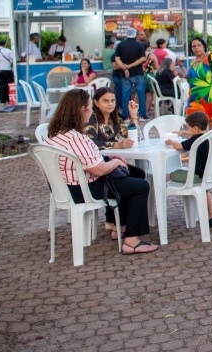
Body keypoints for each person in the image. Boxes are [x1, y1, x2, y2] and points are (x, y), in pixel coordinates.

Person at [44, 89, 157, 254]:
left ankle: (121, 225)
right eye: (89, 106)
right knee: (140, 186)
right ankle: (132, 241)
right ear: (82, 109)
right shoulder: (77, 137)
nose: (90, 111)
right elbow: (98, 169)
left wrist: (110, 159)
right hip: (83, 188)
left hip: (65, 185)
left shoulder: (55, 134)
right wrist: (116, 161)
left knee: (132, 175)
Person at [165, 111, 212, 228]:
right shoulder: (207, 137)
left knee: (172, 174)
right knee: (206, 191)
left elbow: (179, 146)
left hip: (195, 177)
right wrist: (183, 133)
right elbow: (192, 136)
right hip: (207, 176)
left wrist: (171, 141)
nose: (187, 130)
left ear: (195, 128)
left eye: (188, 128)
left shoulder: (195, 140)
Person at [187, 37, 212, 127]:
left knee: (211, 120)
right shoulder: (193, 62)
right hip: (194, 97)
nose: (196, 48)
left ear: (204, 47)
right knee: (194, 122)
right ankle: (200, 141)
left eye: (199, 45)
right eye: (194, 46)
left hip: (209, 96)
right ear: (192, 49)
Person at [113, 28, 147, 121]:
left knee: (125, 94)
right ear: (135, 34)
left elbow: (117, 59)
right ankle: (142, 115)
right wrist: (131, 65)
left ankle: (126, 116)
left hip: (125, 74)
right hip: (138, 73)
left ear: (126, 35)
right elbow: (142, 59)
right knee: (141, 94)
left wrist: (125, 67)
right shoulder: (140, 45)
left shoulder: (120, 45)